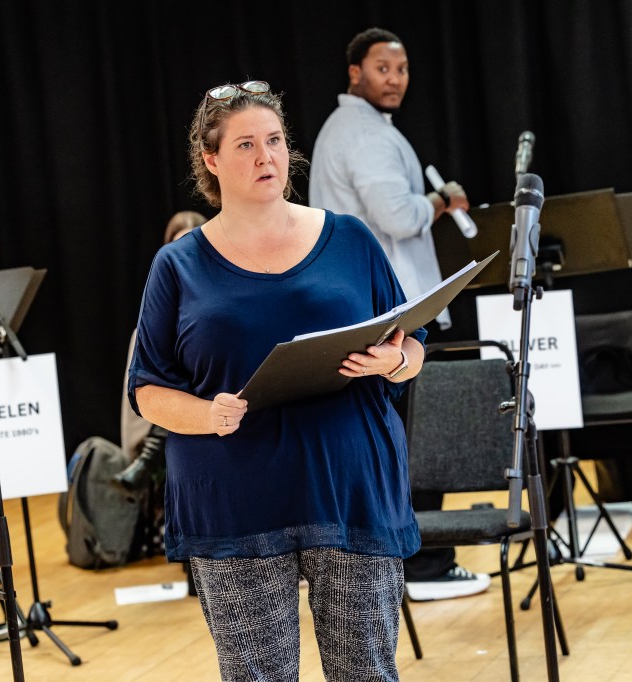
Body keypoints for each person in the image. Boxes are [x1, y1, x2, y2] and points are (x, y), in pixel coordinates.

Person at [128, 79, 425, 681]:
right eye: (244, 145)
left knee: (366, 671)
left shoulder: (351, 238)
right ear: (211, 161)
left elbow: (412, 346)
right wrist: (206, 415)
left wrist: (391, 362)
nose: (266, 157)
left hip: (348, 488)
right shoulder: (177, 264)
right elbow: (147, 389)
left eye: (275, 140)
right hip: (234, 498)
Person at [310, 27, 490, 602]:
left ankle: (408, 560)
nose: (395, 78)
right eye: (382, 68)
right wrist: (440, 201)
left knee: (399, 442)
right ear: (354, 73)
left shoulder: (361, 130)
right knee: (414, 444)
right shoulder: (362, 134)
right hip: (389, 314)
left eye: (403, 68)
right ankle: (425, 564)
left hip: (376, 308)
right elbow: (396, 215)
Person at [114, 210, 206, 493]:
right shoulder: (153, 320)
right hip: (170, 434)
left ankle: (150, 455)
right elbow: (137, 405)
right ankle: (149, 453)